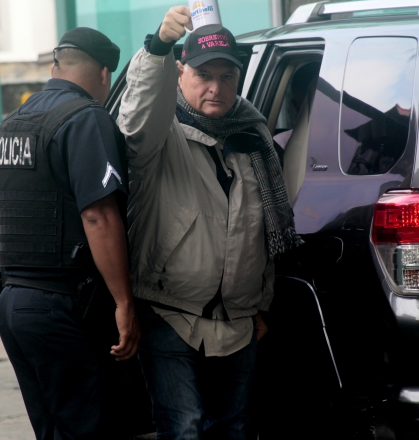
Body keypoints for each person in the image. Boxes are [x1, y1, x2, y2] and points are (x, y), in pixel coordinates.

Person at [117, 6, 303, 439]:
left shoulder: (253, 136)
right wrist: (158, 48)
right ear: (180, 73)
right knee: (184, 428)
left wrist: (259, 304)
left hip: (238, 319)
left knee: (233, 428)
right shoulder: (160, 134)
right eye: (204, 76)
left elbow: (263, 233)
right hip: (169, 311)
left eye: (227, 77)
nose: (216, 88)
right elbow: (137, 116)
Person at [0, 27, 139, 440]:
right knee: (91, 429)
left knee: (53, 431)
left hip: (13, 303)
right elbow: (98, 217)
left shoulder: (14, 121)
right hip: (60, 305)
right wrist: (124, 302)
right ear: (106, 75)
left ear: (55, 65)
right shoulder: (87, 118)